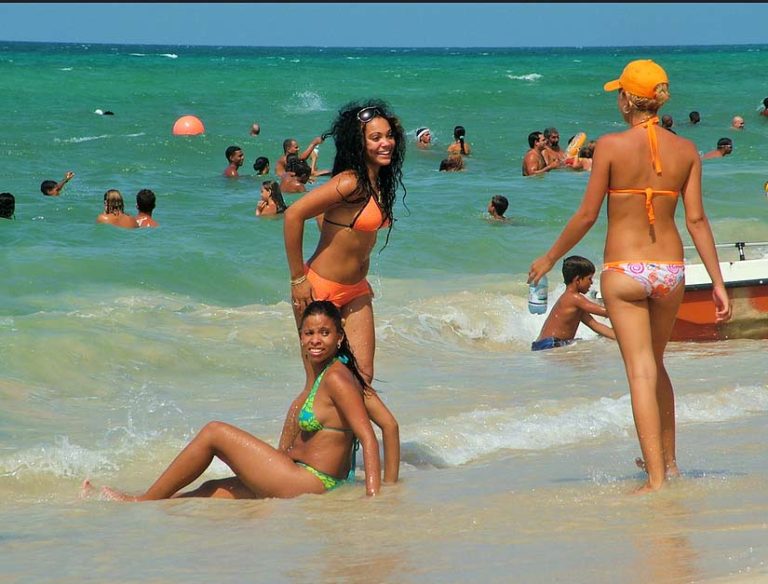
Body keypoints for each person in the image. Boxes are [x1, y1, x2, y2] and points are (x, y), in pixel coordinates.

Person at [528, 59, 731, 494]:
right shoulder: (686, 151)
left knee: (639, 372)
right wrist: (716, 281)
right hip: (671, 271)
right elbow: (696, 220)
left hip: (625, 269)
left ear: (626, 100)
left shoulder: (611, 147)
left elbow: (586, 215)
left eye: (618, 93)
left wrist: (549, 258)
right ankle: (670, 464)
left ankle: (655, 479)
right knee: (656, 367)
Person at [91, 301, 383, 501]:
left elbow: (369, 437)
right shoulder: (325, 374)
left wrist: (375, 499)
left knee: (214, 432)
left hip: (310, 482)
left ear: (340, 337)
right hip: (304, 477)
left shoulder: (336, 378)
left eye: (324, 333)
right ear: (301, 337)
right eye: (308, 333)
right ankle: (156, 506)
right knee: (211, 490)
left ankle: (141, 501)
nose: (315, 340)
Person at [284, 99, 404, 483]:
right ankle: (286, 458)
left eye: (388, 136)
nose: (385, 143)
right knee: (317, 385)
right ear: (359, 142)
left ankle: (347, 465)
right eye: (375, 138)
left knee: (362, 379)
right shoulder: (350, 181)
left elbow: (327, 220)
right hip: (318, 291)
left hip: (356, 291)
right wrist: (297, 278)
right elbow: (294, 214)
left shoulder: (378, 180)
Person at [531, 256, 616, 351]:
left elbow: (595, 325)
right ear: (578, 280)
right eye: (589, 279)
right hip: (551, 344)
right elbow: (607, 312)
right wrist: (628, 307)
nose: (591, 283)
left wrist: (618, 337)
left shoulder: (572, 301)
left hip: (544, 344)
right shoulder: (574, 298)